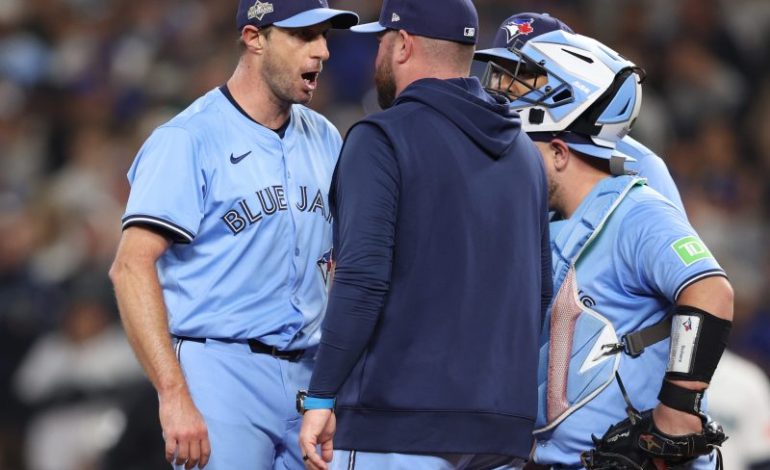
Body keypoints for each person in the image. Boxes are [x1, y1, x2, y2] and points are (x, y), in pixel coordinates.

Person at [297, 1, 552, 469]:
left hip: (398, 424)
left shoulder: (382, 137)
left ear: (404, 45)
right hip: (501, 432)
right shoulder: (525, 155)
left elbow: (361, 280)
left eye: (381, 41)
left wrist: (321, 395)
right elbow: (540, 295)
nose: (377, 54)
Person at [474, 13, 734, 469]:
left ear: (559, 150)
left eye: (524, 146)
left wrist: (677, 409)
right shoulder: (538, 217)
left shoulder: (634, 206)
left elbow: (709, 291)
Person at [108, 1, 358, 468]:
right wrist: (172, 393)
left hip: (310, 377)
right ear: (254, 37)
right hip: (221, 372)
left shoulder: (326, 137)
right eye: (304, 36)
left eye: (325, 36)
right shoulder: (188, 138)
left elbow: (342, 263)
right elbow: (129, 265)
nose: (322, 51)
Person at [475, 13, 686, 215]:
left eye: (523, 73)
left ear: (567, 78)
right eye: (497, 71)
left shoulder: (639, 163)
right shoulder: (487, 147)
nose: (502, 85)